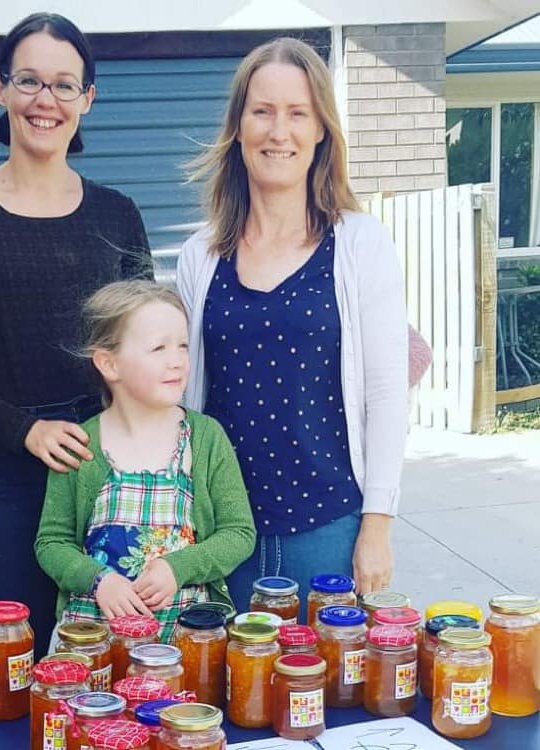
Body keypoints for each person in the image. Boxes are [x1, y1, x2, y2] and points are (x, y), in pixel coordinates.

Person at [0, 13, 152, 657]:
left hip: (114, 480)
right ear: (0, 89)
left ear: (87, 100)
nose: (46, 100)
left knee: (118, 671)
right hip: (17, 479)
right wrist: (25, 430)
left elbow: (147, 348)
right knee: (13, 671)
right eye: (29, 80)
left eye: (64, 84)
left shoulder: (117, 214)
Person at [176, 38, 408, 620]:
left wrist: (376, 526)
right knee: (222, 703)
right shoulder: (200, 256)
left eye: (297, 113)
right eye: (263, 111)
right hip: (220, 536)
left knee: (327, 702)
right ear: (238, 126)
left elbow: (385, 392)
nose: (279, 131)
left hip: (328, 529)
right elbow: (177, 396)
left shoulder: (358, 243)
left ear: (321, 130)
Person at [35, 281, 256, 643]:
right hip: (93, 642)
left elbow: (239, 534)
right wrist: (98, 580)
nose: (177, 360)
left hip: (186, 643)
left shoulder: (204, 438)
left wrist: (177, 567)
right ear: (109, 363)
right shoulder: (80, 445)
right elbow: (52, 542)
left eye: (183, 345)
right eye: (158, 348)